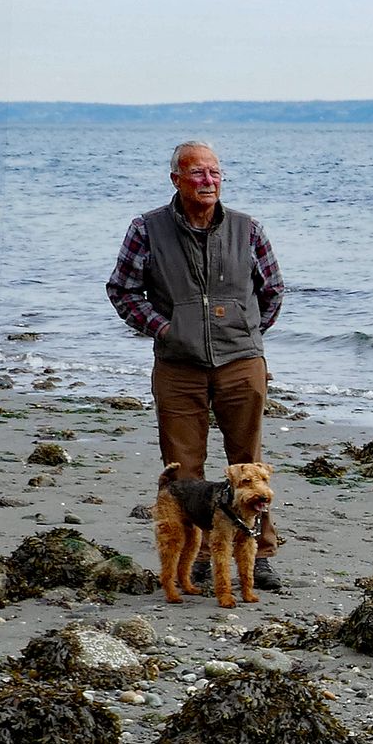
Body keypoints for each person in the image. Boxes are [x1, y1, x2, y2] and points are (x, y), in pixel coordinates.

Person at [107, 140, 285, 589]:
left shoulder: (248, 229)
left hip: (242, 363)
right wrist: (166, 330)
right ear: (176, 180)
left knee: (249, 465)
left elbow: (273, 291)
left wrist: (248, 333)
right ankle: (201, 555)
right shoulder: (146, 229)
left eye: (215, 173)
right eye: (197, 173)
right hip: (178, 366)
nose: (208, 181)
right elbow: (123, 290)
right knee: (183, 467)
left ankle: (258, 553)